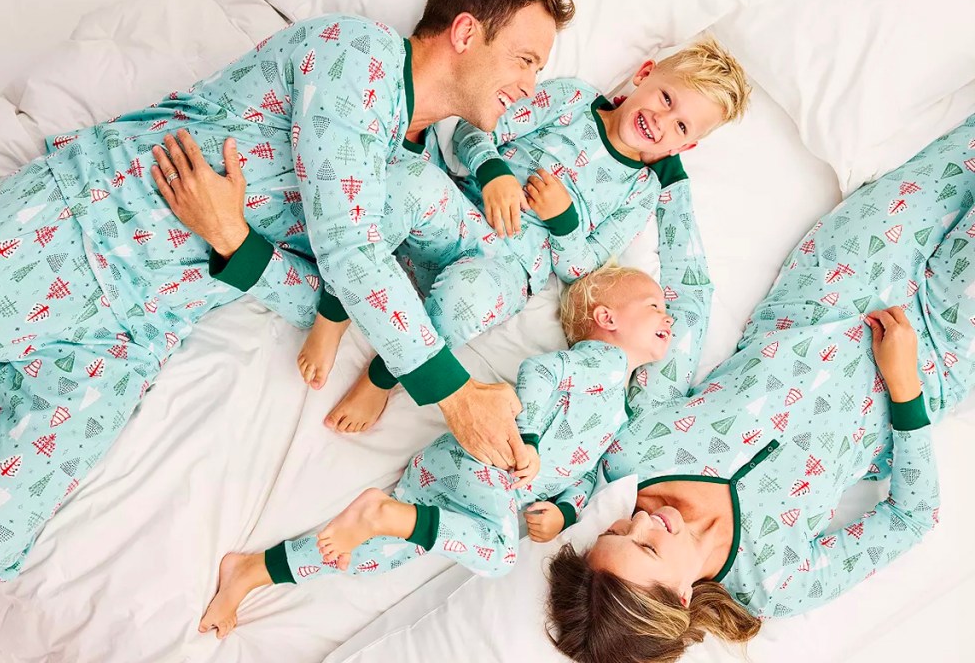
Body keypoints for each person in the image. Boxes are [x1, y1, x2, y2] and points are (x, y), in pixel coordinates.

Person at [0, 0, 573, 583]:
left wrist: (236, 241)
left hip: (135, 331)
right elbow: (348, 253)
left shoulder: (405, 172)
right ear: (466, 32)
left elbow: (332, 304)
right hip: (78, 225)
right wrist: (456, 393)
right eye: (525, 60)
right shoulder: (355, 54)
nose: (531, 84)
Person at [196, 170, 713, 638]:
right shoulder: (600, 363)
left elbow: (585, 476)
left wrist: (563, 509)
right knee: (502, 553)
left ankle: (251, 571)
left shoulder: (619, 407)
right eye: (654, 306)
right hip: (485, 462)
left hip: (468, 501)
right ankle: (383, 517)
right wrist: (528, 440)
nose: (666, 314)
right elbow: (538, 374)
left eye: (621, 530)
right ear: (607, 320)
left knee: (367, 556)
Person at [544, 114, 975, 662]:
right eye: (647, 545)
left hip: (844, 274)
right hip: (936, 355)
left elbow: (690, 303)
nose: (642, 520)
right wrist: (906, 390)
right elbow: (911, 518)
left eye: (620, 531)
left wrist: (669, 177)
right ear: (679, 598)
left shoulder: (635, 452)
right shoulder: (774, 582)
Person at [299, 38, 749, 434]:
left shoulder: (639, 192)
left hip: (508, 269)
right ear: (645, 75)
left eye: (682, 127)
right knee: (407, 182)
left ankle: (383, 377)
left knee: (464, 303)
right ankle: (335, 308)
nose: (663, 121)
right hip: (463, 212)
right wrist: (493, 172)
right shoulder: (573, 100)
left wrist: (564, 220)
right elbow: (477, 127)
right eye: (666, 99)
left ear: (683, 148)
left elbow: (583, 268)